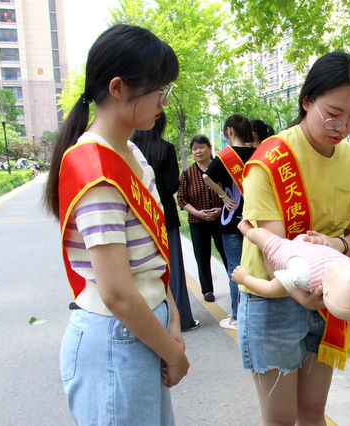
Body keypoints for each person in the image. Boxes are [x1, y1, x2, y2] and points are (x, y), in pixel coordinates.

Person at [43, 24, 189, 424]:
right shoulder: (96, 168)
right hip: (116, 337)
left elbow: (150, 260)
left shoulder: (133, 155)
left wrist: (173, 317)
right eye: (159, 90)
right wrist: (175, 354)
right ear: (119, 88)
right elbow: (117, 293)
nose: (163, 102)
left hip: (145, 325)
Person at [239, 51, 350, 425]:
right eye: (333, 113)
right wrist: (303, 295)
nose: (342, 126)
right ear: (306, 101)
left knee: (314, 412)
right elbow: (272, 247)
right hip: (274, 299)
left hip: (325, 297)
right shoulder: (271, 158)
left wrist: (338, 246)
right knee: (280, 419)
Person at [232, 220, 350, 320]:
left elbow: (270, 288)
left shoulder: (305, 274)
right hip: (312, 244)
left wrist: (245, 278)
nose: (349, 264)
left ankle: (245, 228)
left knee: (261, 236)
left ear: (325, 288)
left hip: (286, 249)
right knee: (263, 236)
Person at [131, 112, 199, 331]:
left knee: (142, 269)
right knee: (173, 269)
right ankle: (182, 320)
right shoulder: (165, 148)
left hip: (138, 216)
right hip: (164, 216)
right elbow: (171, 185)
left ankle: (150, 322)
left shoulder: (128, 148)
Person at [201, 114, 255, 330]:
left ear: (229, 131)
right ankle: (252, 314)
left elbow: (206, 177)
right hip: (254, 220)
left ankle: (237, 316)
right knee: (253, 269)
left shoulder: (225, 155)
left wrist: (223, 195)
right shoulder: (257, 152)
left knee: (235, 269)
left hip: (232, 219)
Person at [177, 135, 228, 302]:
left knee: (226, 253)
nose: (198, 151)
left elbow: (231, 191)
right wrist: (197, 213)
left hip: (221, 220)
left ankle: (235, 284)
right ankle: (207, 290)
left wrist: (221, 210)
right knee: (202, 256)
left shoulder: (220, 168)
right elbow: (182, 199)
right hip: (197, 222)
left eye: (201, 147)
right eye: (194, 148)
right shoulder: (187, 174)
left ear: (210, 148)